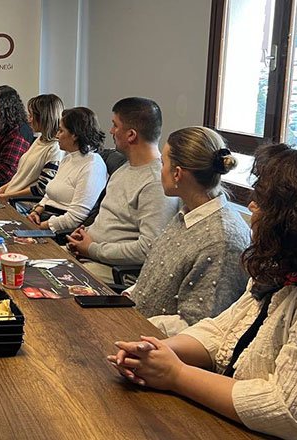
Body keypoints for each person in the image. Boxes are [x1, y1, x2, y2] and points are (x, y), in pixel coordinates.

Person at [107, 144, 297, 439]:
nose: (251, 206)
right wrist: (158, 352)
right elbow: (223, 332)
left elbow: (291, 412)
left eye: (262, 200)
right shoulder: (281, 270)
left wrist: (176, 375)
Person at [129, 127, 250, 336]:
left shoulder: (221, 240)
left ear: (177, 174)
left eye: (163, 163)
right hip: (137, 327)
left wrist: (131, 323)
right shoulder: (188, 214)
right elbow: (151, 283)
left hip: (158, 349)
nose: (160, 169)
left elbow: (197, 325)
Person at [67, 97, 177, 283]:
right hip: (90, 256)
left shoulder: (156, 183)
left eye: (115, 125)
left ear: (131, 135)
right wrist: (86, 233)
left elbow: (149, 249)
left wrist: (92, 248)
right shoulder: (124, 169)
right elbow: (111, 220)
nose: (111, 131)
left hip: (113, 270)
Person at [25, 107, 108, 234]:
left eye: (61, 131)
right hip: (44, 219)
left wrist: (42, 226)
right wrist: (36, 211)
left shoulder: (92, 166)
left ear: (75, 135)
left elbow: (76, 217)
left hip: (59, 230)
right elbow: (50, 194)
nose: (57, 135)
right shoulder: (68, 158)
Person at [0, 94, 66, 201]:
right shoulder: (40, 139)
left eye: (32, 116)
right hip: (10, 197)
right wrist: (5, 188)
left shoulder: (55, 148)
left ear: (43, 118)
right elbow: (22, 177)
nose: (29, 120)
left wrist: (9, 196)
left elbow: (42, 188)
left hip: (21, 203)